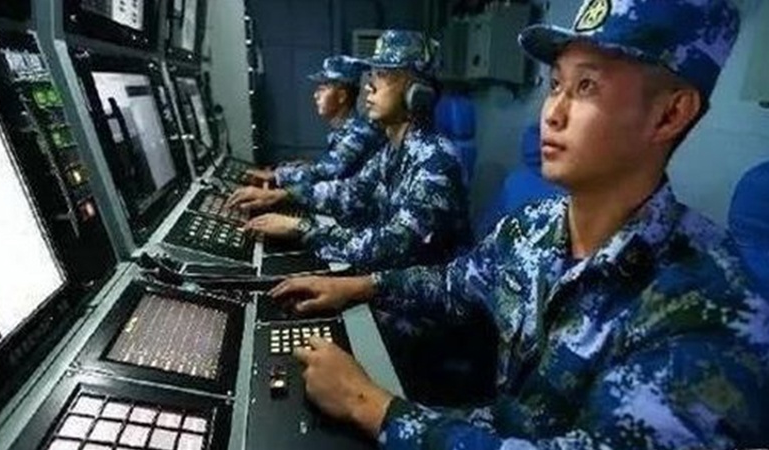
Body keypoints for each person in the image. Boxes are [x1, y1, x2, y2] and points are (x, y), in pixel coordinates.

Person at [267, 1, 769, 448]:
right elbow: (453, 283)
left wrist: (368, 405)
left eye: (586, 86)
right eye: (556, 85)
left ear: (669, 114)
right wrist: (358, 286)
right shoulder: (533, 226)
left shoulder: (714, 310)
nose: (552, 112)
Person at [232, 30, 471, 271]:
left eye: (383, 75)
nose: (369, 86)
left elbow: (391, 245)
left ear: (417, 95)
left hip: (414, 290)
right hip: (386, 278)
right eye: (373, 74)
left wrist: (301, 228)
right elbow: (351, 192)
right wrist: (283, 196)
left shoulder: (436, 162)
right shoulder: (393, 152)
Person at [229, 55, 384, 204]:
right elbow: (328, 169)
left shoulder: (358, 134)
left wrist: (277, 178)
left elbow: (325, 172)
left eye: (323, 89)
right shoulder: (347, 130)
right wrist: (286, 172)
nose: (316, 95)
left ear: (341, 96)